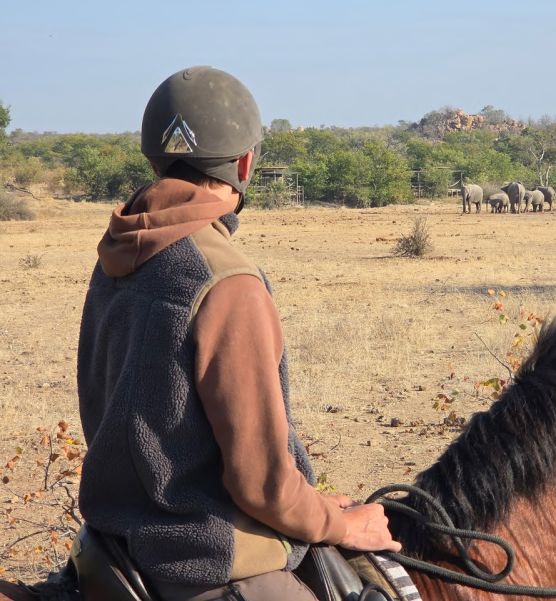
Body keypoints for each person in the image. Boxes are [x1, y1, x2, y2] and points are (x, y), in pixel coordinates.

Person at [76, 66, 400, 600]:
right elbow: (262, 484)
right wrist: (344, 526)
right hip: (201, 559)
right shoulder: (227, 281)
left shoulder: (119, 252)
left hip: (114, 545)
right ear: (245, 162)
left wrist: (313, 503)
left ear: (153, 157)